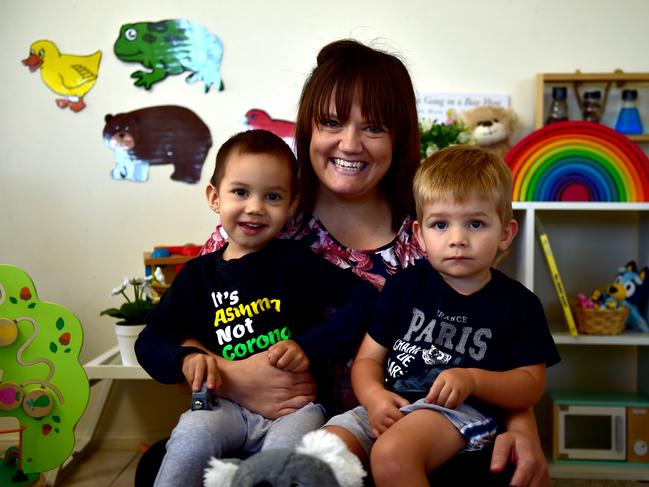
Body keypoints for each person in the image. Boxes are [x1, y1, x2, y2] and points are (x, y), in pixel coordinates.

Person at [143, 39, 551, 487]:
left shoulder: (433, 231)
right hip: (273, 425)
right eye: (332, 122)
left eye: (373, 128)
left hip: (401, 431)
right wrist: (235, 379)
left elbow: (492, 331)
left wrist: (522, 424)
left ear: (398, 137)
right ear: (308, 129)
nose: (350, 144)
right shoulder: (264, 219)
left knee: (493, 469)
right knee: (162, 465)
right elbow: (185, 332)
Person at [135, 129, 376, 487]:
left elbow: (364, 300)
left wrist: (308, 348)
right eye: (241, 192)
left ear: (292, 204)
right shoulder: (198, 275)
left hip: (295, 409)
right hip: (223, 407)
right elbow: (150, 339)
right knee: (189, 440)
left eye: (273, 196)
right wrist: (184, 358)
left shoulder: (296, 263)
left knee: (283, 467)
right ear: (214, 197)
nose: (255, 207)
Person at [323, 145, 561, 486]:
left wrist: (473, 380)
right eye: (441, 225)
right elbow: (368, 362)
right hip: (387, 405)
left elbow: (530, 386)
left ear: (506, 233)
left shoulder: (518, 304)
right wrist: (374, 398)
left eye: (476, 223)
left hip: (458, 413)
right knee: (321, 453)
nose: (457, 239)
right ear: (420, 235)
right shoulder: (403, 287)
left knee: (393, 456)